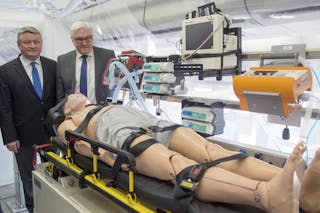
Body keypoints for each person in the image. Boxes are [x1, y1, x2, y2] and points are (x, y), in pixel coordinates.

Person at [57, 93, 320, 213]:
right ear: (68, 109)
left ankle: (302, 186)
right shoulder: (70, 119)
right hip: (116, 131)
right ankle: (268, 197)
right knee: (179, 166)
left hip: (144, 119)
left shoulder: (102, 101)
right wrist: (108, 155)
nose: (76, 94)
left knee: (212, 151)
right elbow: (74, 141)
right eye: (72, 96)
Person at [0, 27, 57, 212]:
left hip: (51, 134)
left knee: (55, 174)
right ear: (19, 45)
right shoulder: (6, 71)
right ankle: (34, 209)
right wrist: (9, 137)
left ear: (41, 44)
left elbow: (59, 100)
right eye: (27, 42)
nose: (32, 46)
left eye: (36, 42)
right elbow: (4, 107)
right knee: (29, 179)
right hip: (22, 136)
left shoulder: (53, 66)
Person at [56, 21, 116, 104]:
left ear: (92, 37)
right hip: (74, 112)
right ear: (72, 40)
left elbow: (115, 85)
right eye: (79, 39)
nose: (84, 43)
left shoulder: (107, 56)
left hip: (100, 110)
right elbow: (60, 93)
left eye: (88, 38)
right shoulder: (63, 60)